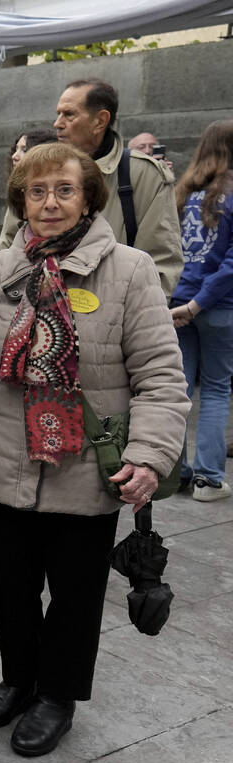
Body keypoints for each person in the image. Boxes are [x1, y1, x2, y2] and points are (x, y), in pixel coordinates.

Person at [0, 142, 187, 756]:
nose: (50, 203)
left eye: (64, 189)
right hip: (5, 461)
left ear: (89, 196)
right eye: (36, 192)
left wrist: (147, 456)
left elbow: (161, 378)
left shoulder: (131, 270)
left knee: (74, 593)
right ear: (21, 201)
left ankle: (57, 695)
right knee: (10, 585)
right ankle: (19, 680)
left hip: (86, 468)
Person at [0, 79, 181, 297]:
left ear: (100, 121)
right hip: (38, 313)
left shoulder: (144, 175)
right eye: (58, 114)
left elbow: (161, 264)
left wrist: (128, 317)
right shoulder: (36, 170)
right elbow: (9, 248)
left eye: (69, 115)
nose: (57, 123)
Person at [169, 121, 233, 501]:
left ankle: (176, 473)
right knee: (216, 389)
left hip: (178, 304)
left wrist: (184, 303)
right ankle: (208, 479)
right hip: (218, 306)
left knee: (178, 389)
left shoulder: (181, 193)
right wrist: (200, 303)